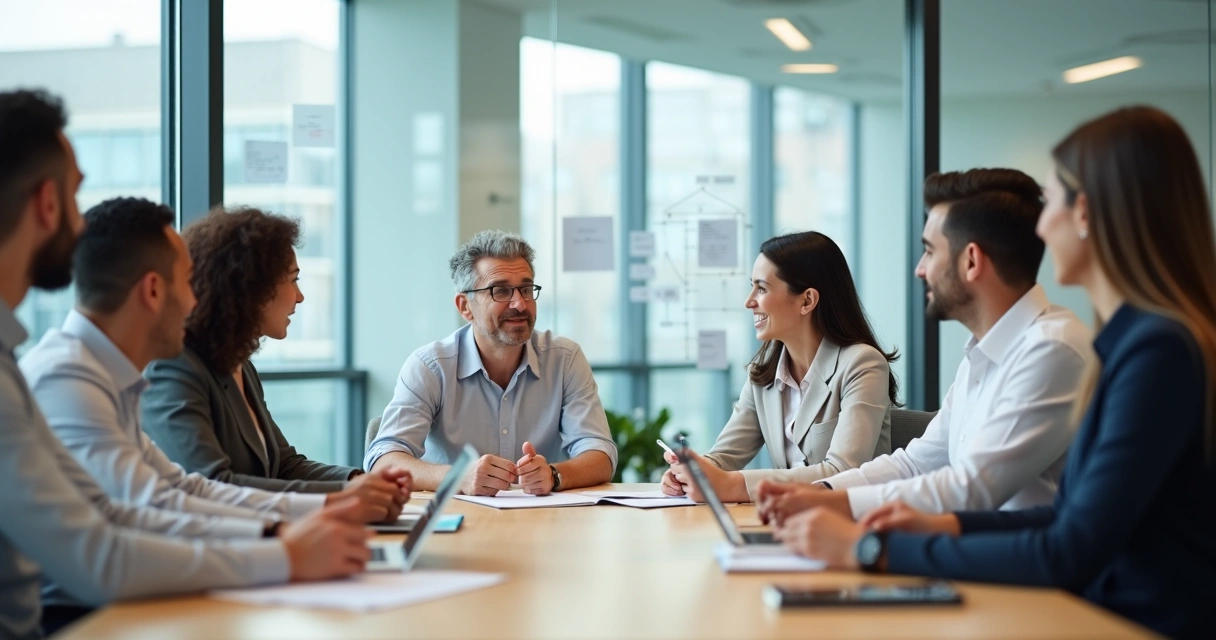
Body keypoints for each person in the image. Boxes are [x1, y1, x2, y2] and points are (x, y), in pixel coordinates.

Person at [773, 106, 1216, 640]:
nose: (1041, 225)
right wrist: (943, 525)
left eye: (1052, 203)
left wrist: (870, 548)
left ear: (1086, 215)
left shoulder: (1153, 348)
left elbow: (1069, 548)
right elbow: (1068, 516)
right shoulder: (1129, 341)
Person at [0, 88, 371, 640]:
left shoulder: (58, 371)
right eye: (75, 199)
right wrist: (283, 553)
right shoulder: (61, 376)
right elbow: (103, 552)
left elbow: (145, 503)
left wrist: (284, 532)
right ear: (47, 204)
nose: (195, 302)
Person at [21, 197, 411, 528]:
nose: (194, 299)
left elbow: (186, 489)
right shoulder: (79, 378)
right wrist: (314, 522)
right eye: (185, 282)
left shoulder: (113, 378)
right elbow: (181, 497)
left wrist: (353, 488)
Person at [756, 168, 1094, 525]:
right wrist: (821, 492)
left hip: (1017, 573)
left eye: (930, 251)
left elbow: (971, 488)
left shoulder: (1050, 350)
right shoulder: (983, 355)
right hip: (972, 557)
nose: (920, 269)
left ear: (971, 261)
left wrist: (832, 504)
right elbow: (914, 463)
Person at [366, 230, 617, 495]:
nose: (520, 303)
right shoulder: (431, 366)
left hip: (543, 520)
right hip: (456, 524)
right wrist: (457, 477)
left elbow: (600, 453)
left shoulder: (564, 359)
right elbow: (383, 462)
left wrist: (555, 475)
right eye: (501, 291)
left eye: (526, 288)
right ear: (465, 307)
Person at [660, 231, 896, 503]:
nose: (749, 301)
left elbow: (844, 472)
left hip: (853, 525)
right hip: (788, 520)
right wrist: (691, 472)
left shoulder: (862, 364)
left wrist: (734, 485)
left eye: (761, 288)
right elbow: (724, 457)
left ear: (807, 300)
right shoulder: (763, 373)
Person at [142, 207, 365, 492]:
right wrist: (348, 495)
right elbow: (212, 484)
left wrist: (357, 481)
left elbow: (283, 465)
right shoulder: (174, 367)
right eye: (294, 279)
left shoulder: (239, 363)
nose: (300, 296)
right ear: (252, 287)